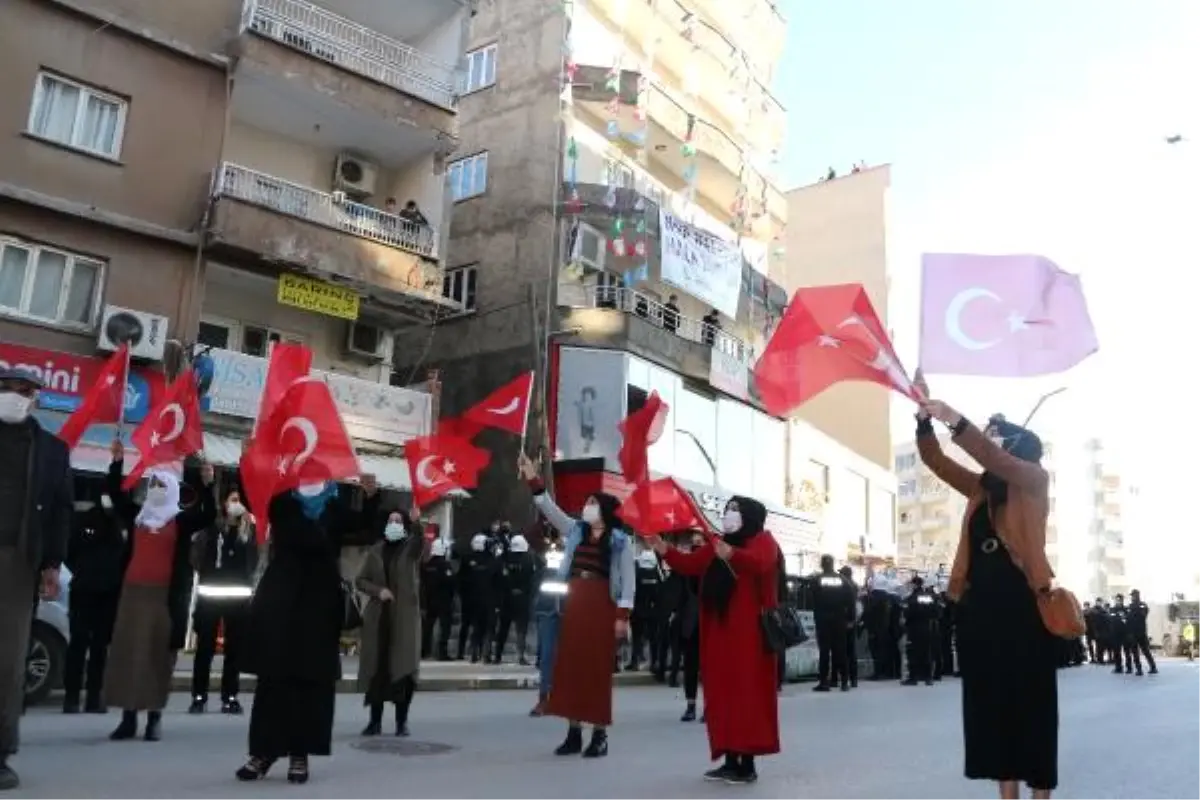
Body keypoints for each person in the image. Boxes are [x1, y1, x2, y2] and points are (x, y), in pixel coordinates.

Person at [917, 386, 1059, 799]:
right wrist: (925, 420)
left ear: (1017, 444)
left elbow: (992, 456)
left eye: (996, 432)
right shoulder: (982, 488)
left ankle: (1040, 794)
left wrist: (953, 417)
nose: (989, 437)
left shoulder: (1032, 478)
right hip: (981, 607)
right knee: (994, 708)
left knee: (1031, 707)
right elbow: (937, 462)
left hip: (1022, 605)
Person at [236, 476, 378, 784]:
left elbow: (366, 526)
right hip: (281, 599)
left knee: (310, 680)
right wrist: (249, 467)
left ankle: (300, 755)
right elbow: (254, 498)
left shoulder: (335, 505)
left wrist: (370, 496)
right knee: (274, 678)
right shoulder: (283, 499)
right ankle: (263, 752)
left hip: (319, 604)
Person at [648, 497, 781, 785]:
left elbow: (760, 564)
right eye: (727, 510)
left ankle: (747, 764)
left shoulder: (763, 541)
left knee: (747, 695)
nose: (729, 514)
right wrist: (664, 549)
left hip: (750, 637)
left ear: (750, 515)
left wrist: (733, 554)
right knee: (722, 693)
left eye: (735, 510)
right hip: (720, 633)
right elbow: (690, 564)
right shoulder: (718, 544)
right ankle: (730, 759)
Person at [518, 452, 634, 759]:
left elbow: (629, 584)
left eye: (593, 503)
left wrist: (622, 616)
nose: (588, 507)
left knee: (596, 672)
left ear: (606, 511)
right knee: (569, 669)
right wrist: (533, 477)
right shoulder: (576, 531)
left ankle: (599, 736)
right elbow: (548, 508)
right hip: (577, 600)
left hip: (602, 604)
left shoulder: (621, 542)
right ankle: (572, 733)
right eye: (587, 503)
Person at [105, 441, 216, 742]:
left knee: (157, 658)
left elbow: (208, 516)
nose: (154, 490)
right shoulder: (138, 516)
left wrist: (207, 485)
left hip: (164, 600)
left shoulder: (179, 522)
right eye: (151, 485)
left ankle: (154, 717)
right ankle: (128, 718)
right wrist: (116, 464)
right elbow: (117, 497)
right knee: (130, 657)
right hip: (133, 595)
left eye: (160, 485)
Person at [0, 367, 71, 791]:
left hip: (17, 563)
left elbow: (61, 511)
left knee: (8, 664)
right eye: (8, 389)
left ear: (36, 399)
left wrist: (52, 565)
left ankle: (1, 752)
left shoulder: (52, 450)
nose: (16, 396)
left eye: (25, 391)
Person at [189, 486, 258, 715]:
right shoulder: (213, 529)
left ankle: (230, 696)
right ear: (224, 503)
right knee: (205, 650)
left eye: (239, 500)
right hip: (211, 596)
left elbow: (253, 562)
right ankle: (199, 696)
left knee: (234, 650)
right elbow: (198, 557)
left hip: (238, 600)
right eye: (232, 500)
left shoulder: (248, 531)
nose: (236, 504)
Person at [357, 508, 425, 737]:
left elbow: (421, 544)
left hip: (404, 618)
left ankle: (401, 722)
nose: (394, 523)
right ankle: (374, 721)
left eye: (398, 520)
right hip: (379, 618)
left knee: (403, 671)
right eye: (390, 520)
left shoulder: (410, 549)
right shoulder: (376, 550)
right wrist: (379, 591)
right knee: (378, 670)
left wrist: (418, 524)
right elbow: (360, 580)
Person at [62, 477, 125, 714]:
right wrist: (81, 570)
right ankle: (72, 696)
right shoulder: (84, 520)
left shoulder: (119, 522)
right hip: (84, 589)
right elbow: (70, 550)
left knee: (100, 646)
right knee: (79, 643)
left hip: (108, 591)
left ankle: (93, 695)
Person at [667, 531, 703, 721]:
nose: (696, 543)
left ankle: (706, 707)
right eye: (694, 540)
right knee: (690, 666)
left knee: (705, 668)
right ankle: (691, 705)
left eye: (700, 540)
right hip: (689, 621)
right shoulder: (685, 565)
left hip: (707, 622)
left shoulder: (712, 563)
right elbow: (676, 592)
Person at [811, 554, 855, 692]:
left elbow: (813, 600)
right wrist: (850, 619)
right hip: (839, 619)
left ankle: (824, 682)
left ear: (822, 564)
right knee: (840, 650)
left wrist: (817, 616)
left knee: (824, 652)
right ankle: (844, 682)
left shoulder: (817, 580)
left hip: (823, 620)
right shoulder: (842, 580)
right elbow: (851, 600)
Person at [494, 534, 536, 665]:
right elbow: (533, 579)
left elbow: (499, 578)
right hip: (522, 598)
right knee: (521, 630)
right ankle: (521, 656)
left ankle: (497, 656)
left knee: (503, 629)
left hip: (507, 598)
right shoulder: (529, 559)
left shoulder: (504, 558)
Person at [627, 548, 662, 671]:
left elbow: (632, 589)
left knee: (637, 637)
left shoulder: (636, 571)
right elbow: (660, 592)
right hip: (653, 609)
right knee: (653, 637)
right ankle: (654, 662)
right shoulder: (657, 571)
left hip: (638, 608)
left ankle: (635, 661)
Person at [420, 536, 455, 661]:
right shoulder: (445, 566)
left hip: (429, 600)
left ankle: (424, 651)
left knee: (427, 627)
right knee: (445, 628)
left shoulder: (426, 566)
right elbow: (451, 583)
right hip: (443, 601)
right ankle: (442, 653)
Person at [902, 577, 936, 687]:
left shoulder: (911, 597)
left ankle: (913, 677)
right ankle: (928, 678)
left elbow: (908, 613)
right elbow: (934, 611)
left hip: (914, 628)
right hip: (927, 626)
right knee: (926, 652)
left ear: (914, 585)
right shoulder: (928, 597)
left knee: (913, 653)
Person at [1125, 589, 1157, 676]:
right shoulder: (1130, 606)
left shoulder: (1142, 605)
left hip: (1141, 632)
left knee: (1146, 651)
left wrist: (1136, 610)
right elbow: (1127, 619)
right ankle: (1139, 669)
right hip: (1133, 633)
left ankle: (1153, 667)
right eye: (1132, 595)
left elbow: (1144, 614)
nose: (1132, 597)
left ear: (1138, 595)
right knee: (1135, 652)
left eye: (1134, 595)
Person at [839, 565, 861, 689]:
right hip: (852, 621)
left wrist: (850, 620)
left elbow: (850, 605)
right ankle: (853, 679)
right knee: (851, 652)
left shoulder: (847, 586)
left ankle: (846, 679)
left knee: (845, 652)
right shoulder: (854, 585)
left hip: (846, 622)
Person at [1109, 594, 1130, 674]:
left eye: (1120, 600)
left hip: (1125, 633)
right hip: (1115, 633)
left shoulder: (1126, 609)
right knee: (1116, 651)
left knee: (1127, 651)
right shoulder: (1112, 609)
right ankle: (1118, 667)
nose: (1118, 601)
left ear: (1122, 600)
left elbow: (1128, 620)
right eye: (1117, 599)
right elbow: (1110, 620)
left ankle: (1129, 667)